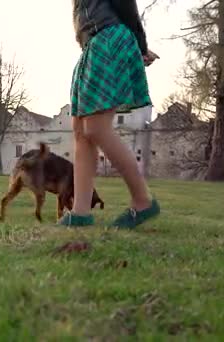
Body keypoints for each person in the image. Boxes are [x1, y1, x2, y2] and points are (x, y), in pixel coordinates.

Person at [57, 0, 161, 228]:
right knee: (80, 131)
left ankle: (142, 200)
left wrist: (140, 45)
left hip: (108, 39)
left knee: (96, 128)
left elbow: (125, 4)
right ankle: (80, 212)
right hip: (92, 44)